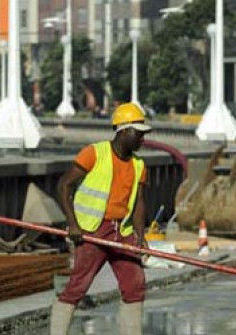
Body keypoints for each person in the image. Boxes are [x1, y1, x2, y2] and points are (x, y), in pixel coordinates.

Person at [51, 103, 153, 335]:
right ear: (124, 131)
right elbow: (64, 185)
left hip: (122, 232)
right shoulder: (94, 153)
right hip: (92, 230)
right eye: (139, 134)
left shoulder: (139, 165)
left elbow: (138, 203)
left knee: (135, 285)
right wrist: (73, 224)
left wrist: (140, 236)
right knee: (78, 287)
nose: (143, 139)